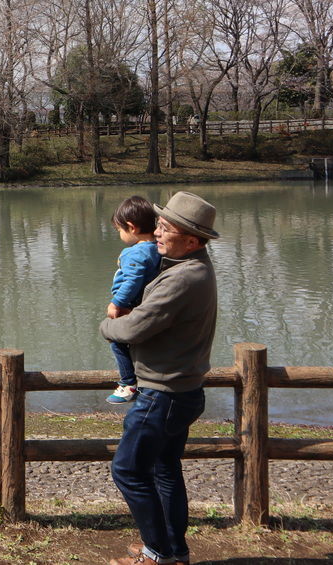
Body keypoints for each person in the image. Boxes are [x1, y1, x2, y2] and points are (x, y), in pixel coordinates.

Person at [100, 191, 218, 565]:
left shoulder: (183, 277)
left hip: (162, 394)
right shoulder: (190, 267)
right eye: (160, 226)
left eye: (167, 229)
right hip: (182, 390)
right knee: (165, 469)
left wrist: (107, 325)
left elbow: (134, 328)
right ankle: (174, 551)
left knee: (128, 470)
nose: (159, 234)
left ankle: (157, 554)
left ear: (193, 240)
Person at [104, 196, 162, 405]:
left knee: (117, 341)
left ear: (132, 227)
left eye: (119, 230)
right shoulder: (158, 248)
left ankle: (128, 383)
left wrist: (117, 302)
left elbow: (132, 280)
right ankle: (144, 379)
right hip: (146, 305)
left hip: (131, 305)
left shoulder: (136, 252)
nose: (119, 235)